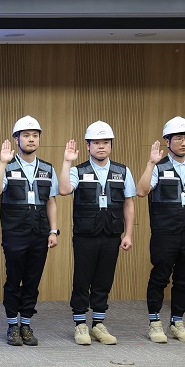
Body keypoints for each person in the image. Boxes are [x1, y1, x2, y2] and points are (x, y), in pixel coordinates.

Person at [57, 121, 136, 345]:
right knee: (82, 279)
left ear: (111, 145)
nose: (101, 147)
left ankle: (98, 323)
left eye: (105, 143)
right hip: (85, 235)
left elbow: (129, 204)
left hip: (112, 234)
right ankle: (80, 324)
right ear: (88, 145)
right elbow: (63, 190)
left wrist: (128, 234)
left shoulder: (122, 171)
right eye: (96, 143)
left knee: (104, 279)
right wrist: (66, 162)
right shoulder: (77, 170)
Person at [136, 116, 185, 344]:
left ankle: (177, 322)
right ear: (168, 141)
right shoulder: (159, 167)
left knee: (184, 280)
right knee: (160, 278)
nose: (184, 143)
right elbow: (141, 191)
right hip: (165, 234)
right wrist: (150, 164)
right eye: (179, 138)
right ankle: (155, 323)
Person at [0, 115, 59, 346]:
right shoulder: (7, 166)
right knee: (13, 280)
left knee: (32, 280)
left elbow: (51, 201)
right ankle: (11, 325)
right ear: (16, 139)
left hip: (39, 233)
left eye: (35, 136)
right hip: (15, 233)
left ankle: (26, 324)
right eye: (26, 135)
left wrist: (53, 230)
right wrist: (1, 163)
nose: (31, 139)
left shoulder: (48, 168)